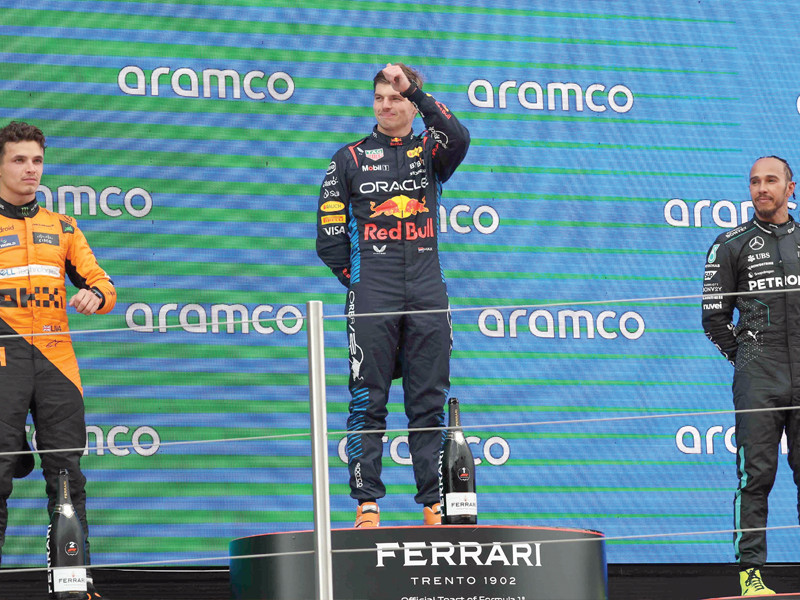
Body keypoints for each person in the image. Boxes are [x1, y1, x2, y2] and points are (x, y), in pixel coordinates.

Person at [316, 63, 470, 527]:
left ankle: (433, 505)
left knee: (428, 401)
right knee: (368, 399)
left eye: (396, 96)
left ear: (410, 100)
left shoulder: (430, 150)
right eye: (381, 97)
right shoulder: (349, 158)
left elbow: (459, 138)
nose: (387, 104)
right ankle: (367, 504)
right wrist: (363, 281)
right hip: (373, 294)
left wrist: (419, 94)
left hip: (427, 290)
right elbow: (328, 238)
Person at [0, 121, 116, 598]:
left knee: (67, 476)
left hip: (57, 365)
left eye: (37, 160)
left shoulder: (63, 226)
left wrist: (94, 296)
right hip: (4, 361)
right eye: (19, 160)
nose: (31, 170)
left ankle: (72, 585)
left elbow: (104, 286)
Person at [702, 155, 800, 596]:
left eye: (771, 181)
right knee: (755, 476)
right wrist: (746, 360)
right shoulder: (730, 243)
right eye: (755, 182)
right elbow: (713, 318)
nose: (762, 188)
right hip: (759, 374)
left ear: (790, 188)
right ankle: (751, 577)